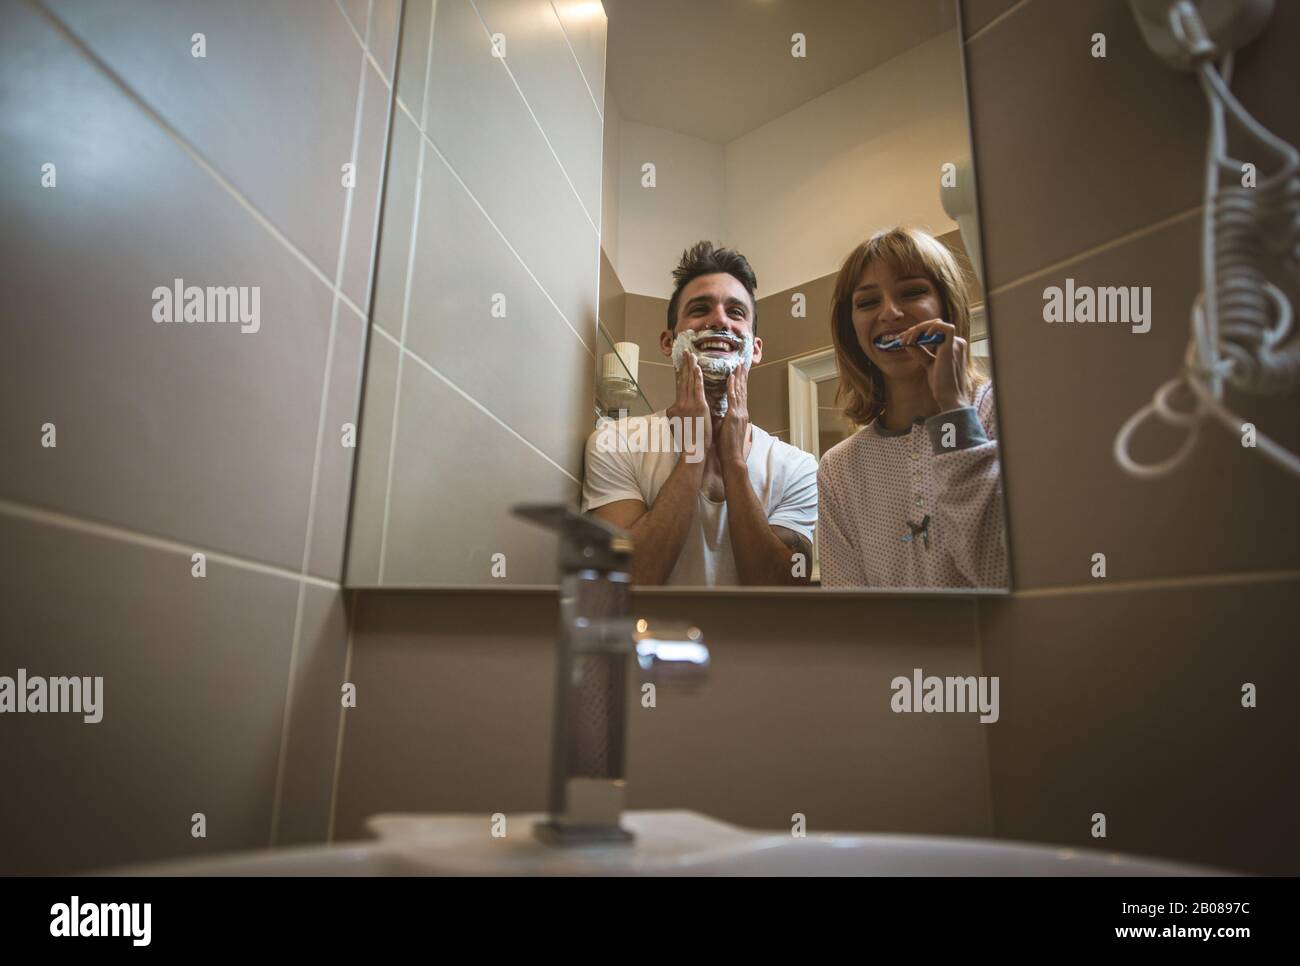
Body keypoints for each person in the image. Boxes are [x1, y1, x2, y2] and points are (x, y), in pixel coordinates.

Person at [582, 241, 817, 586]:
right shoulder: (614, 442)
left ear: (755, 350)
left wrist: (734, 462)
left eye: (736, 312)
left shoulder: (797, 467)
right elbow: (626, 580)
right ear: (667, 342)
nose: (719, 319)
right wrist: (693, 455)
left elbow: (785, 590)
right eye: (700, 308)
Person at [817, 227, 1007, 588]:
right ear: (851, 329)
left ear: (947, 305)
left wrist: (953, 411)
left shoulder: (1005, 414)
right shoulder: (840, 469)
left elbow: (998, 571)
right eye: (868, 302)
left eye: (912, 292)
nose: (890, 312)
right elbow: (849, 614)